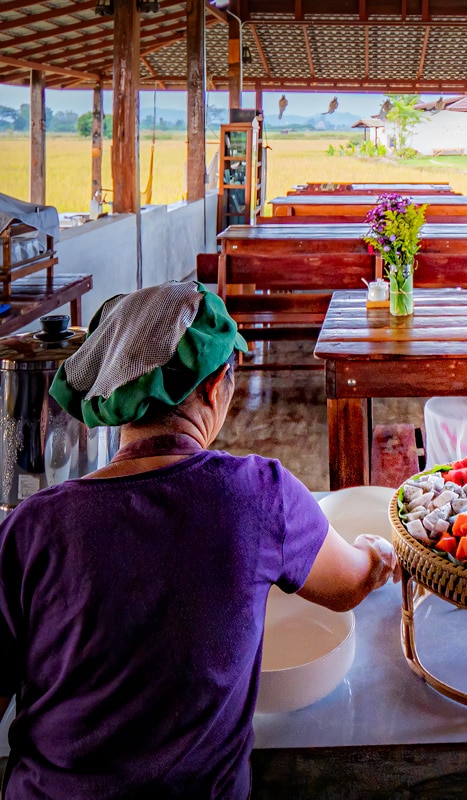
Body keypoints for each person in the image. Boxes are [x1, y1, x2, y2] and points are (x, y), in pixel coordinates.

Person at [0, 281, 399, 799]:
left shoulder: (32, 526)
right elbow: (349, 585)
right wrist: (378, 551)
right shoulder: (258, 494)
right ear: (215, 386)